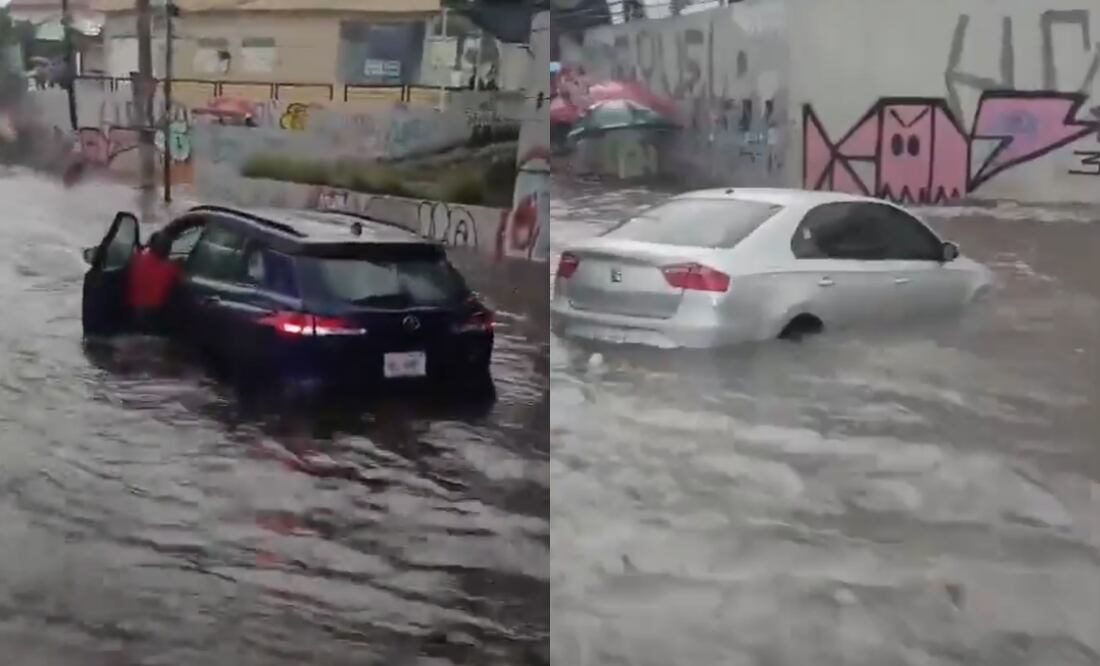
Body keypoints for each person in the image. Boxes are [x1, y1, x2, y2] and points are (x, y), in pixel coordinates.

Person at [127, 231, 182, 334]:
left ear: (151, 246)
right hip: (155, 317)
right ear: (168, 250)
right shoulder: (171, 269)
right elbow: (179, 286)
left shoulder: (137, 259)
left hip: (132, 313)